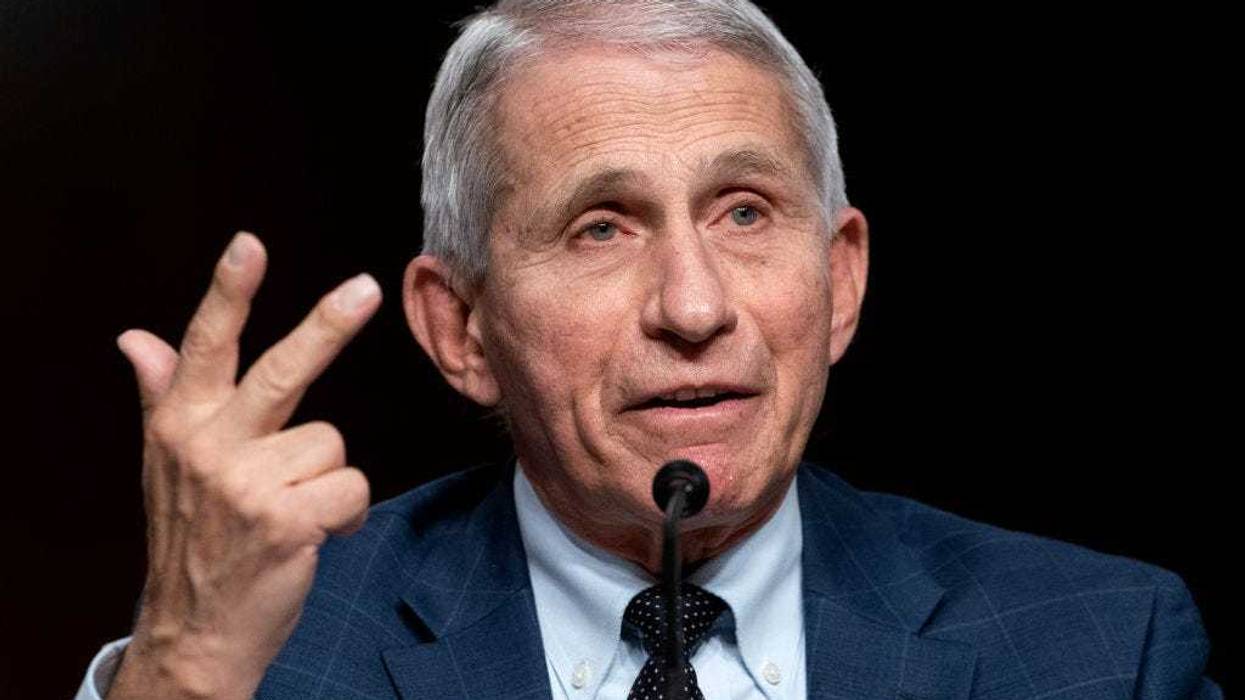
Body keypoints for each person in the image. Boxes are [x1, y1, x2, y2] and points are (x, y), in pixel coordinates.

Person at [77, 1, 1219, 698]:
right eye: (601, 227)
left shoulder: (1101, 650)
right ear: (458, 330)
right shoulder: (260, 658)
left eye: (744, 212)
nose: (692, 304)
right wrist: (181, 673)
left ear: (840, 281)